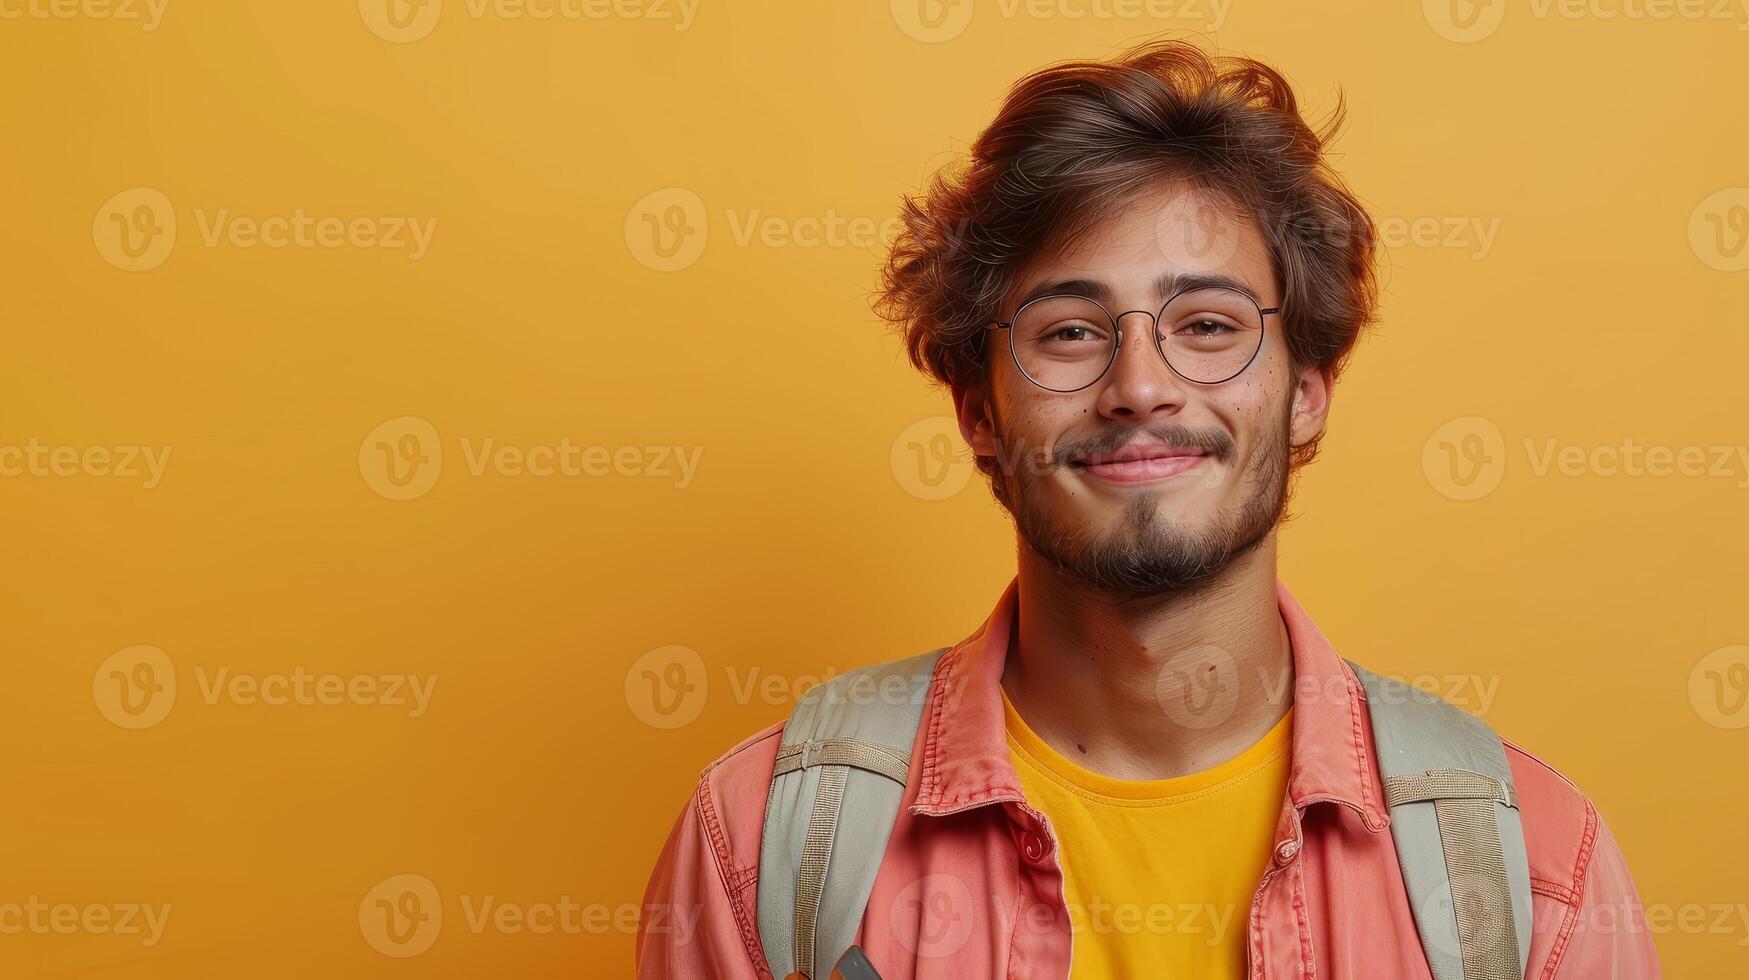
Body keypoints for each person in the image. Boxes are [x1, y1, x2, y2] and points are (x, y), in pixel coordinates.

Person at [637, 37, 1659, 979]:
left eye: (1208, 323)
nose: (1141, 385)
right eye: (1071, 331)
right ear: (978, 408)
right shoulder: (767, 839)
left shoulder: (1532, 870)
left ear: (1308, 390)